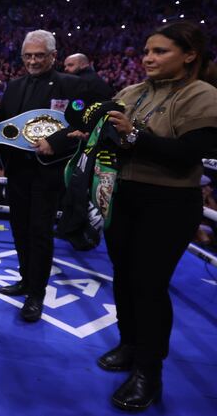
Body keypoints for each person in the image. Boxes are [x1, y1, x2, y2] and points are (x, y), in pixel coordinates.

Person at [96, 21, 217, 412]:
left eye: (160, 51)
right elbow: (103, 130)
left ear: (189, 55)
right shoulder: (132, 91)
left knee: (148, 285)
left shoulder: (203, 95)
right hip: (123, 195)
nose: (148, 58)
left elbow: (187, 154)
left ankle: (149, 372)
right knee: (123, 276)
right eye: (147, 51)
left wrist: (133, 135)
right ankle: (128, 344)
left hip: (168, 201)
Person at [0, 30, 83, 322]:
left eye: (39, 55)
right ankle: (26, 279)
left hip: (48, 171)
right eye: (28, 55)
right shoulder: (14, 86)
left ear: (53, 56)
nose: (33, 61)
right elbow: (1, 121)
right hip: (17, 169)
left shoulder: (71, 86)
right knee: (19, 227)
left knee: (39, 231)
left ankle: (36, 294)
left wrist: (57, 142)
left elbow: (82, 124)